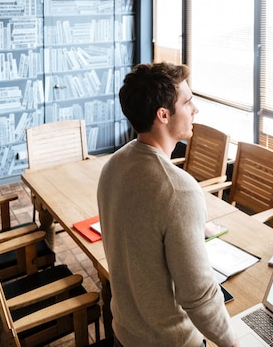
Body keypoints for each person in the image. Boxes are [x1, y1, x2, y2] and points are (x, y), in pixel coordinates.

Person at [97, 62, 238, 347]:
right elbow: (198, 295)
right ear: (163, 115)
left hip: (124, 334)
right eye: (187, 102)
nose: (195, 109)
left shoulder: (114, 164)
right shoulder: (179, 190)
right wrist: (232, 342)